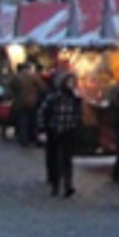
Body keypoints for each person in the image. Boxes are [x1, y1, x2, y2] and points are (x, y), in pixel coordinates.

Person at [39, 71, 86, 199]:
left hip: (69, 129)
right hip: (55, 129)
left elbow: (78, 113)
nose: (71, 84)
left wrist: (78, 124)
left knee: (67, 158)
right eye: (69, 82)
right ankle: (56, 184)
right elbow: (43, 111)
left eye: (73, 82)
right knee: (55, 158)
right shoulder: (54, 97)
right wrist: (42, 128)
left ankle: (68, 185)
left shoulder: (75, 97)